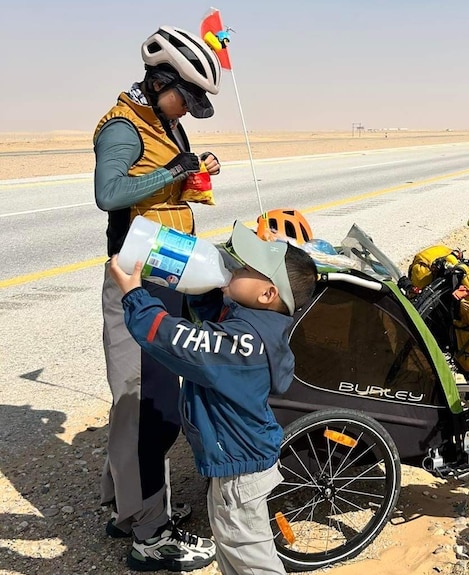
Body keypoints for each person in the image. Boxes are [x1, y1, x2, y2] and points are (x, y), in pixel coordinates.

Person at [109, 221, 318, 574]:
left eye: (245, 268)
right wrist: (199, 282)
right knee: (234, 554)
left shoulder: (244, 342)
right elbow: (215, 318)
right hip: (242, 464)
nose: (234, 266)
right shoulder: (258, 324)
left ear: (267, 294)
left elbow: (177, 340)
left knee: (253, 561)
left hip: (240, 473)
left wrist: (135, 297)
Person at [93, 25, 223, 570]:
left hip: (168, 266)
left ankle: (125, 508)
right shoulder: (125, 126)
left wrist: (192, 175)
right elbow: (109, 193)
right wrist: (174, 169)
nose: (190, 110)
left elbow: (161, 185)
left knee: (137, 400)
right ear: (160, 79)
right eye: (186, 97)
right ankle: (150, 536)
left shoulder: (164, 122)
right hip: (137, 277)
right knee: (148, 404)